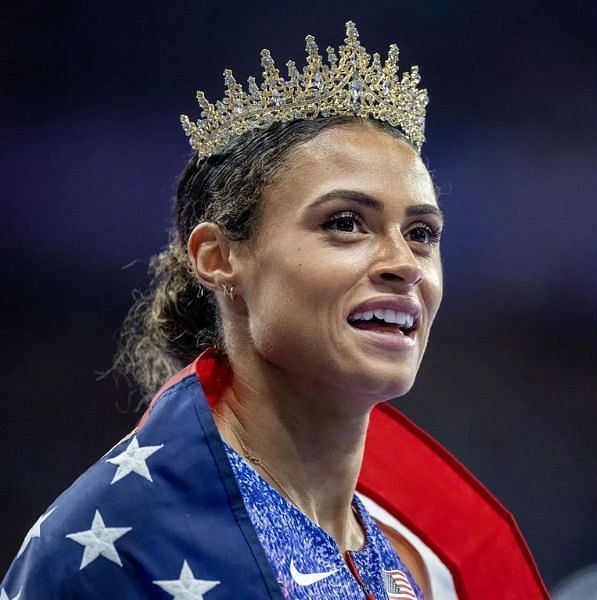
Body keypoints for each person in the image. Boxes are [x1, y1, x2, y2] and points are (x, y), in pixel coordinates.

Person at [1, 22, 545, 600]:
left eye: (421, 233)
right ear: (219, 257)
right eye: (344, 223)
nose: (404, 263)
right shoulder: (117, 547)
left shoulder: (400, 562)